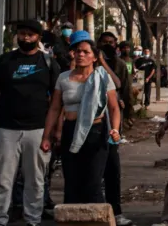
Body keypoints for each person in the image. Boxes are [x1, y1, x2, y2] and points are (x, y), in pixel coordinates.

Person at [0, 21, 62, 226]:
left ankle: (33, 221)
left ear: (38, 37)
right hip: (6, 129)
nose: (25, 38)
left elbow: (57, 99)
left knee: (36, 179)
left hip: (37, 130)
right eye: (22, 34)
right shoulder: (4, 61)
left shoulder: (47, 62)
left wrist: (54, 130)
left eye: (30, 34)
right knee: (3, 178)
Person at [42, 31, 121, 211]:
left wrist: (115, 130)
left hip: (96, 133)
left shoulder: (102, 77)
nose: (80, 55)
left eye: (86, 52)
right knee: (72, 181)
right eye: (78, 51)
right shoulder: (64, 78)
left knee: (93, 182)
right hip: (71, 132)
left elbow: (114, 108)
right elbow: (55, 108)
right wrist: (47, 136)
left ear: (94, 57)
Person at [98, 31, 133, 226]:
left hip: (112, 123)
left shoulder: (118, 65)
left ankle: (116, 211)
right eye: (104, 43)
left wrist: (126, 118)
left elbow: (122, 86)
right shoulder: (87, 64)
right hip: (89, 124)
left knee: (112, 169)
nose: (108, 45)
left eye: (111, 43)